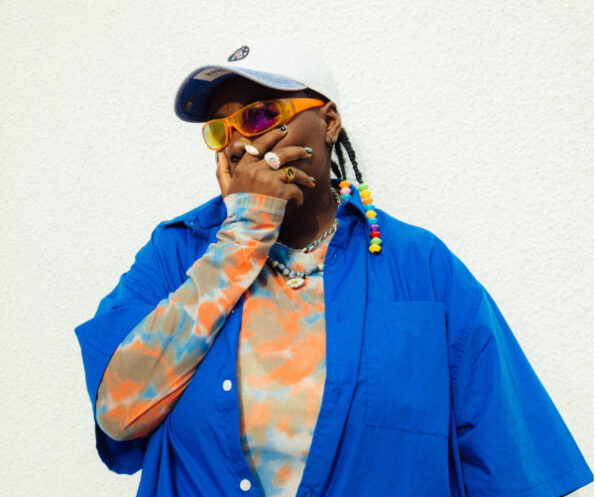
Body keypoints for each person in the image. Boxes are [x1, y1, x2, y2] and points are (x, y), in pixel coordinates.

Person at [74, 36, 593, 497]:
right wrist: (243, 236)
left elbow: (511, 467)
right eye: (221, 130)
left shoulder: (421, 268)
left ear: (328, 121)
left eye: (260, 116)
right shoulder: (176, 254)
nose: (238, 144)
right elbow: (119, 415)